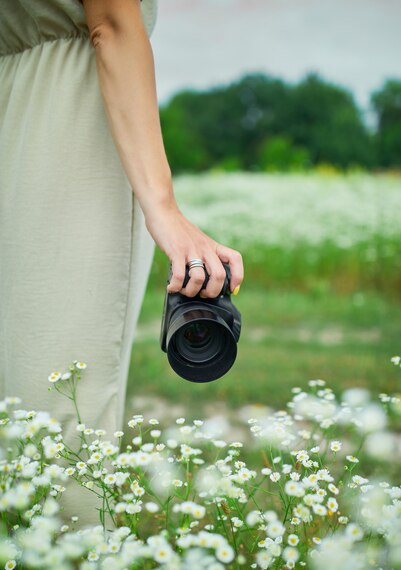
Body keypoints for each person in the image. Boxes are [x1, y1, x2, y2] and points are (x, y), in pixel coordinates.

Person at [0, 0, 244, 530]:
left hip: (10, 104)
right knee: (61, 399)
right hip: (71, 121)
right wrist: (165, 211)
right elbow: (112, 25)